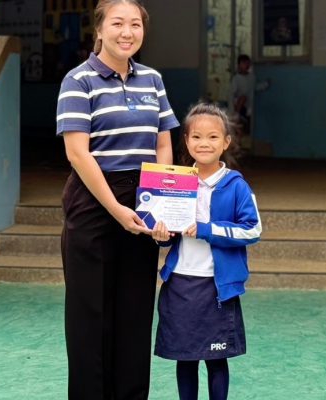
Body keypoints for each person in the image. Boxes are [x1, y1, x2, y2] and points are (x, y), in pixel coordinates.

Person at [56, 1, 179, 398]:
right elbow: (78, 154)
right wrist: (115, 209)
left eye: (135, 24)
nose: (127, 32)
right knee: (89, 314)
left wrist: (162, 204)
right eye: (118, 23)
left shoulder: (153, 80)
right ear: (99, 29)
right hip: (93, 200)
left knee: (135, 310)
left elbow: (163, 142)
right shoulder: (78, 80)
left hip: (143, 198)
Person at [152, 102, 262, 400]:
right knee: (185, 357)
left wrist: (207, 229)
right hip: (180, 283)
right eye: (197, 137)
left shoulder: (236, 186)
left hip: (217, 287)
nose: (204, 143)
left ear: (226, 142)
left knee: (216, 359)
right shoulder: (174, 182)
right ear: (186, 141)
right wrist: (161, 236)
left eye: (213, 137)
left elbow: (253, 230)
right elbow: (167, 233)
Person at [228, 54, 269, 145]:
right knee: (238, 128)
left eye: (247, 63)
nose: (246, 65)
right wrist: (233, 110)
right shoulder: (236, 79)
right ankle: (236, 145)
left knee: (245, 130)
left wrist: (265, 84)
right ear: (239, 65)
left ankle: (240, 145)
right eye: (243, 63)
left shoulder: (252, 77)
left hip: (248, 108)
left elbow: (254, 87)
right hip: (238, 108)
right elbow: (231, 95)